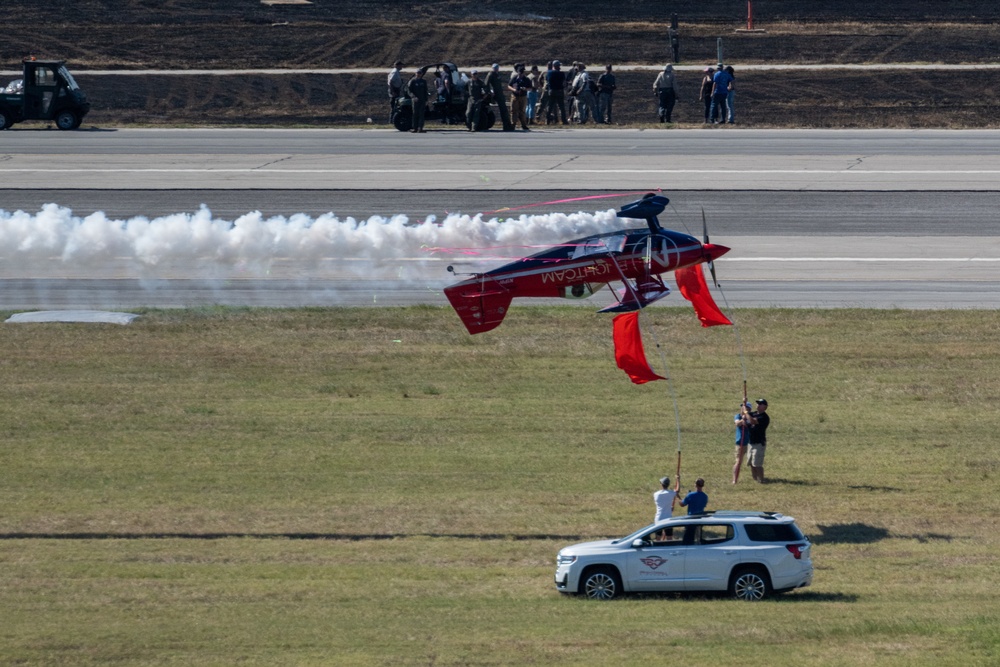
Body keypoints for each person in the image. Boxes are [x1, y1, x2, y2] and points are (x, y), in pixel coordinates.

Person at [485, 63, 515, 131]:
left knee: (504, 110)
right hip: (496, 93)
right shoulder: (491, 74)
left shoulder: (497, 75)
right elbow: (486, 84)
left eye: (497, 68)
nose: (496, 69)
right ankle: (506, 125)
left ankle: (507, 125)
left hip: (500, 93)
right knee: (503, 110)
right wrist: (489, 92)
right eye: (494, 68)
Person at [748, 398, 770, 483]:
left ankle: (761, 479)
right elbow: (743, 414)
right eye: (757, 403)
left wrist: (746, 414)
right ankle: (755, 479)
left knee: (757, 464)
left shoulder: (764, 417)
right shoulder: (753, 413)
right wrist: (744, 404)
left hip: (759, 443)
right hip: (751, 442)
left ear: (765, 406)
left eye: (760, 404)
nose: (758, 405)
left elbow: (753, 421)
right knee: (751, 464)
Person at [733, 401, 754, 484]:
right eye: (743, 407)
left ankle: (755, 477)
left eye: (745, 407)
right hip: (740, 443)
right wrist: (742, 420)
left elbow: (751, 423)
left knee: (753, 462)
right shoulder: (737, 416)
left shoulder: (751, 416)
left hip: (750, 442)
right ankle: (735, 479)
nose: (743, 408)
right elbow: (737, 423)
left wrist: (747, 419)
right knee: (738, 462)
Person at [653, 475, 680, 539]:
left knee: (658, 538)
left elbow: (661, 503)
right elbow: (677, 490)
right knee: (669, 538)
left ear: (661, 484)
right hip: (668, 519)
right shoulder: (670, 493)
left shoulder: (656, 494)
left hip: (658, 518)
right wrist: (678, 480)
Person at [508, 64, 532, 130]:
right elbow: (509, 85)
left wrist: (525, 89)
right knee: (513, 111)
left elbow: (530, 88)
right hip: (515, 96)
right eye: (520, 72)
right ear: (518, 72)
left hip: (523, 96)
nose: (521, 73)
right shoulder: (514, 78)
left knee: (522, 111)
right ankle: (513, 124)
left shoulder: (526, 79)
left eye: (522, 72)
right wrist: (514, 90)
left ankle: (523, 125)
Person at [406, 67, 430, 133]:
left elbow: (425, 91)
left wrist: (426, 100)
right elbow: (409, 91)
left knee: (421, 114)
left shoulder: (423, 81)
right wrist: (413, 97)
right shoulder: (412, 81)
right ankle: (414, 128)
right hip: (415, 100)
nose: (419, 74)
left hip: (422, 100)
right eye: (417, 73)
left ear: (422, 74)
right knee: (415, 114)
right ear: (415, 73)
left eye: (420, 73)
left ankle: (420, 128)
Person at [546, 60, 568, 125]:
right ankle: (564, 120)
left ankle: (547, 120)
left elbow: (547, 80)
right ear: (557, 66)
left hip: (552, 91)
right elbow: (564, 83)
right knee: (561, 107)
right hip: (559, 91)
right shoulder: (561, 73)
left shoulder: (549, 73)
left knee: (550, 106)